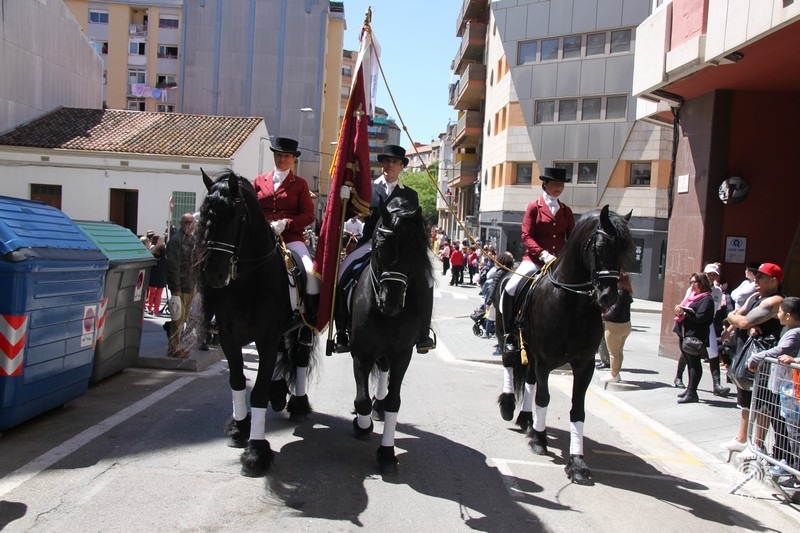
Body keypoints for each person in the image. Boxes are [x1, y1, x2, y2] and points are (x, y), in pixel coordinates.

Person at [333, 145, 435, 354]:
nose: (389, 165)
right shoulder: (368, 189)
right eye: (386, 161)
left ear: (402, 166)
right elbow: (347, 214)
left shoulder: (410, 195)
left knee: (427, 278)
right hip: (371, 243)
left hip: (400, 250)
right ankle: (342, 330)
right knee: (342, 272)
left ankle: (424, 333)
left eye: (394, 162)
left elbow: (416, 227)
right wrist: (344, 199)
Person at [253, 137, 318, 400]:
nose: (282, 159)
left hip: (291, 239)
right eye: (278, 155)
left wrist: (287, 224)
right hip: (262, 240)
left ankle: (310, 318)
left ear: (294, 159)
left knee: (310, 272)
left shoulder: (300, 184)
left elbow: (308, 214)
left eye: (287, 156)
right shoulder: (259, 181)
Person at [500, 167, 575, 354]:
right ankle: (509, 334)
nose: (559, 187)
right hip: (535, 260)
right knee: (510, 288)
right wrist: (543, 254)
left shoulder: (566, 211)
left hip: (559, 262)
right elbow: (526, 236)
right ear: (545, 184)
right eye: (555, 183)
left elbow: (572, 238)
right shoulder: (534, 207)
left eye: (561, 184)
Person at [719, 262, 785, 455]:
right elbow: (736, 317)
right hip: (746, 354)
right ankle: (742, 438)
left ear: (773, 280)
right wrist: (736, 319)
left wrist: (735, 318)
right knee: (745, 398)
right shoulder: (756, 297)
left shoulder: (775, 301)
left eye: (761, 276)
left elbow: (743, 320)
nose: (756, 279)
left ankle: (757, 443)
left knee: (763, 401)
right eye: (756, 275)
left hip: (763, 358)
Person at [745, 296, 800, 474]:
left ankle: (791, 466)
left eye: (780, 311)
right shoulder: (789, 329)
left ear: (789, 315)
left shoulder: (794, 333)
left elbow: (781, 350)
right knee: (783, 425)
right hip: (784, 388)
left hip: (790, 390)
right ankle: (786, 461)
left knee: (789, 429)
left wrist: (756, 357)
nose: (777, 314)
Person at [674, 263, 730, 397]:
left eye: (714, 275)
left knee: (712, 352)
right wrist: (682, 313)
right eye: (709, 274)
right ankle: (679, 377)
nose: (711, 277)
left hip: (706, 324)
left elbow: (714, 309)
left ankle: (716, 384)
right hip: (689, 326)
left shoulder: (716, 292)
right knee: (688, 351)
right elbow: (685, 303)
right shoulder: (691, 291)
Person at [673, 272, 715, 403]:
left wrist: (685, 313)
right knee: (689, 361)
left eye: (695, 282)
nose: (692, 285)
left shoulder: (707, 299)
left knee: (694, 363)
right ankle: (689, 389)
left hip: (695, 335)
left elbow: (701, 317)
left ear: (702, 283)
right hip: (684, 333)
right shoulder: (692, 296)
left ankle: (692, 392)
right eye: (691, 282)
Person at [165, 212, 195, 358]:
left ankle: (178, 346)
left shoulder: (192, 239)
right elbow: (173, 266)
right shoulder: (176, 240)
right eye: (186, 223)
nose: (190, 225)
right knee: (177, 319)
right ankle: (173, 348)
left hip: (190, 285)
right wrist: (176, 288)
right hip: (181, 287)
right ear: (181, 224)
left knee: (183, 319)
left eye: (192, 222)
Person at [600, 273, 634, 383]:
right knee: (619, 351)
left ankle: (614, 374)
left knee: (613, 353)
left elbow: (613, 312)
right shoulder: (627, 293)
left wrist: (603, 316)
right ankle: (616, 372)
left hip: (614, 326)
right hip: (625, 325)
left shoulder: (619, 294)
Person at [146, 234, 167, 315]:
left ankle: (149, 307)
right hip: (161, 279)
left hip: (152, 279)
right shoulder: (165, 260)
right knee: (158, 295)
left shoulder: (153, 259)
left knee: (151, 293)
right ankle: (156, 310)